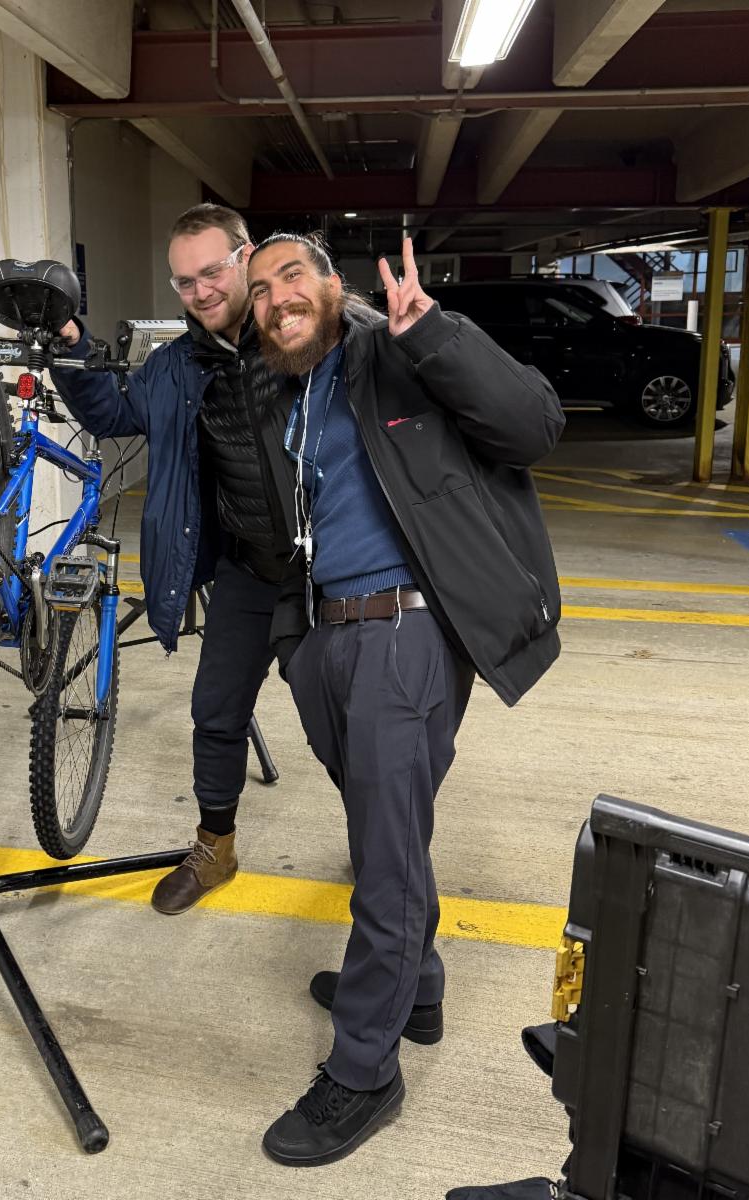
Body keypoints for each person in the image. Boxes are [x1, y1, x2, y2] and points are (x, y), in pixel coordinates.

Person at [243, 233, 565, 1167]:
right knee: (386, 831)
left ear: (334, 285)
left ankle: (364, 1071)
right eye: (260, 290)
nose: (276, 299)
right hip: (330, 639)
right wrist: (294, 646)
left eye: (292, 277)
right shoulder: (294, 393)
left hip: (403, 634)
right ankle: (413, 990)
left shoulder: (397, 349)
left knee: (383, 864)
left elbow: (533, 426)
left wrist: (435, 335)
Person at [50, 204, 305, 915]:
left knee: (346, 733)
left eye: (213, 271)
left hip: (331, 578)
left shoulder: (306, 337)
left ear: (246, 257)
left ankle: (381, 859)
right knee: (215, 712)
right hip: (248, 573)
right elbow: (110, 414)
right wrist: (72, 341)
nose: (199, 291)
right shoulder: (174, 368)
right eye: (184, 280)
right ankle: (214, 847)